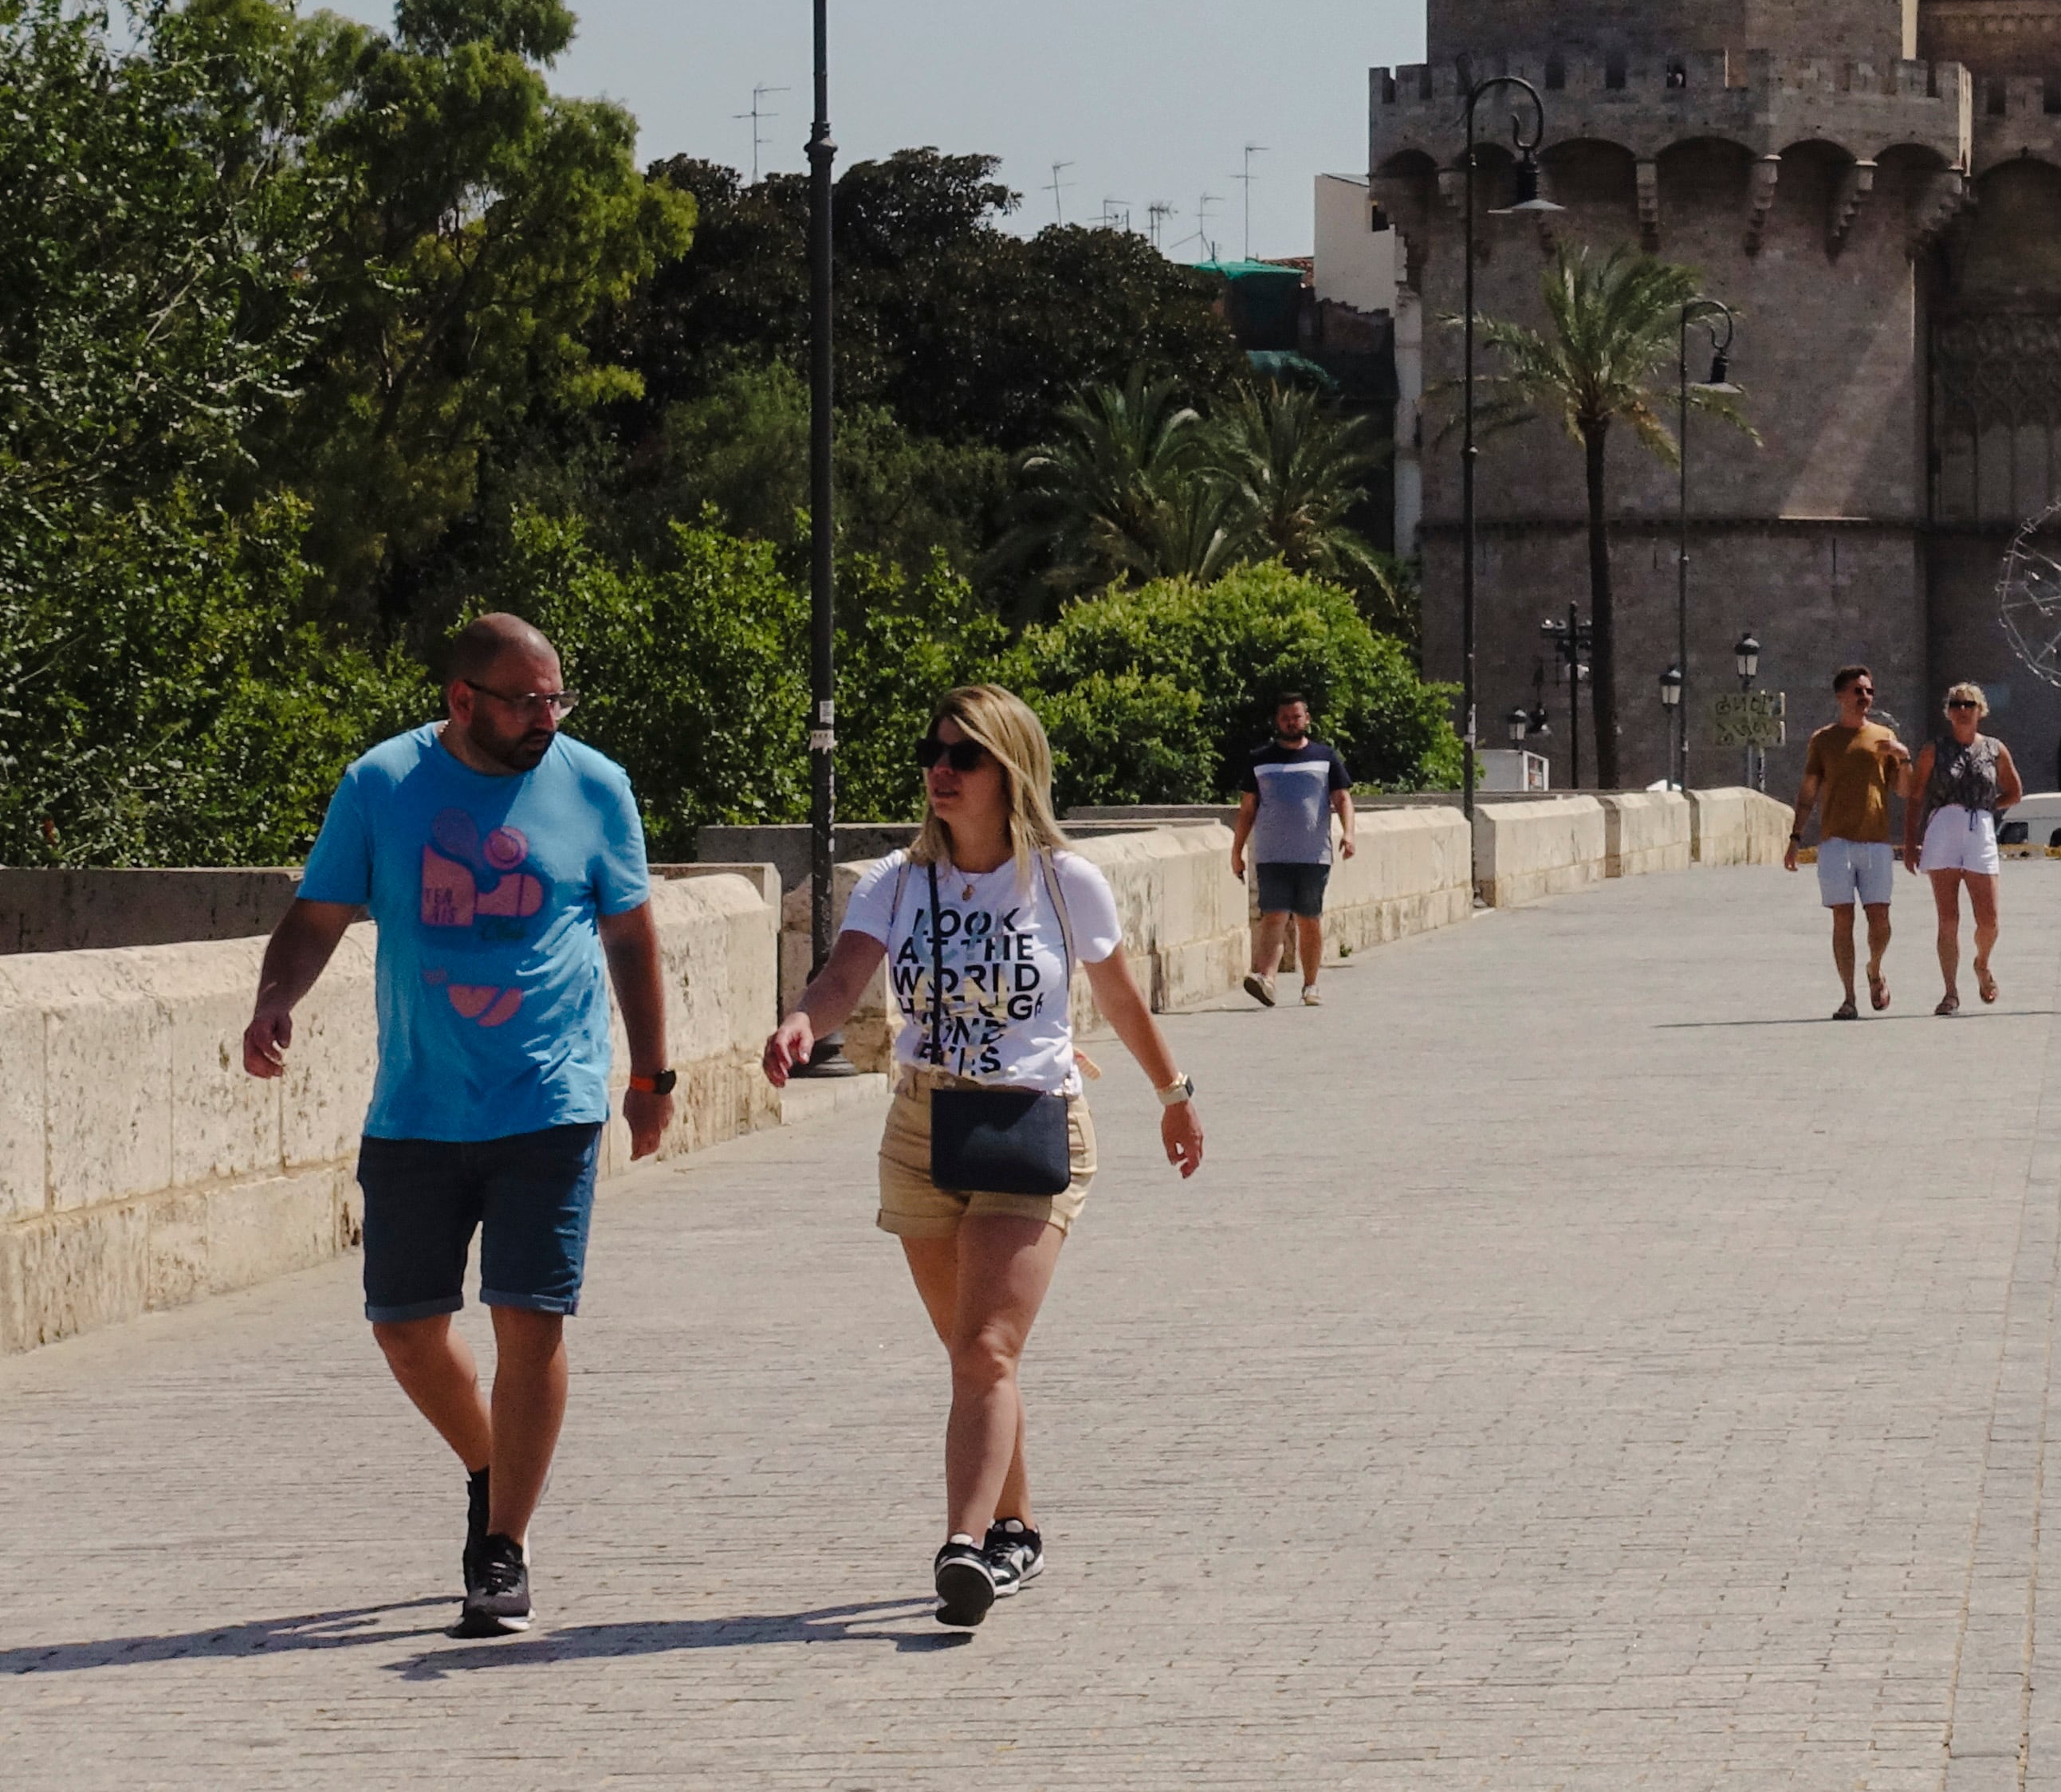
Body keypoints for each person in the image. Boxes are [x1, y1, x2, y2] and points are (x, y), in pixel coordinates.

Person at [239, 613, 674, 1639]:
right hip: (419, 1106)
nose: (544, 718)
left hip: (549, 1099)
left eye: (556, 696)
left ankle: (503, 1548)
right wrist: (273, 999)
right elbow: (317, 915)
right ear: (461, 699)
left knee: (530, 1316)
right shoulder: (382, 786)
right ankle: (492, 1467)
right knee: (405, 1327)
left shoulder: (597, 785)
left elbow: (632, 932)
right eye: (523, 699)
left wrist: (652, 1071)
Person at [765, 684, 1208, 1629]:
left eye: (963, 755)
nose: (940, 769)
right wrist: (806, 1019)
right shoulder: (895, 879)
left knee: (986, 1347)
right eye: (933, 752)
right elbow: (846, 969)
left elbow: (1121, 999)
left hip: (1030, 1121)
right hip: (922, 1127)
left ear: (1009, 770)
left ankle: (963, 1547)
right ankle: (1018, 1528)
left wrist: (1174, 1095)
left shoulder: (1060, 880)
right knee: (975, 1358)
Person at [1784, 665, 1914, 1020]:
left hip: (1875, 842)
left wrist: (1903, 757)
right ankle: (1849, 997)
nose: (1865, 697)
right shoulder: (1823, 740)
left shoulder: (1884, 736)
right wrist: (1796, 838)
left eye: (1869, 691)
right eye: (1858, 691)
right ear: (1841, 696)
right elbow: (1808, 791)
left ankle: (1875, 967)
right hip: (1835, 843)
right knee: (1843, 920)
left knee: (1880, 921)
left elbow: (1904, 790)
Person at [1227, 691, 1359, 1007]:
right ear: (1278, 721)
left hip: (1313, 855)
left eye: (1296, 716)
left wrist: (1349, 833)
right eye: (1286, 717)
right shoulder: (1260, 759)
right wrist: (1237, 851)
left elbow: (1342, 798)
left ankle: (1311, 984)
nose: (1291, 722)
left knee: (1308, 919)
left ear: (1307, 719)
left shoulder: (1325, 757)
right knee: (1273, 916)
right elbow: (1247, 809)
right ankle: (1266, 979)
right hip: (1271, 853)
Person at [1902, 682, 2015, 1014]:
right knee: (1948, 918)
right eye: (1956, 704)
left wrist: (1987, 808)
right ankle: (1950, 992)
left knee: (1989, 920)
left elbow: (2014, 791)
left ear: (1980, 710)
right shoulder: (1933, 750)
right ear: (1949, 712)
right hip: (1943, 829)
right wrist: (1911, 842)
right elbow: (1917, 795)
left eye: (1969, 704)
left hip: (1979, 829)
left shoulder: (1995, 749)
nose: (1963, 710)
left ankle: (1982, 963)